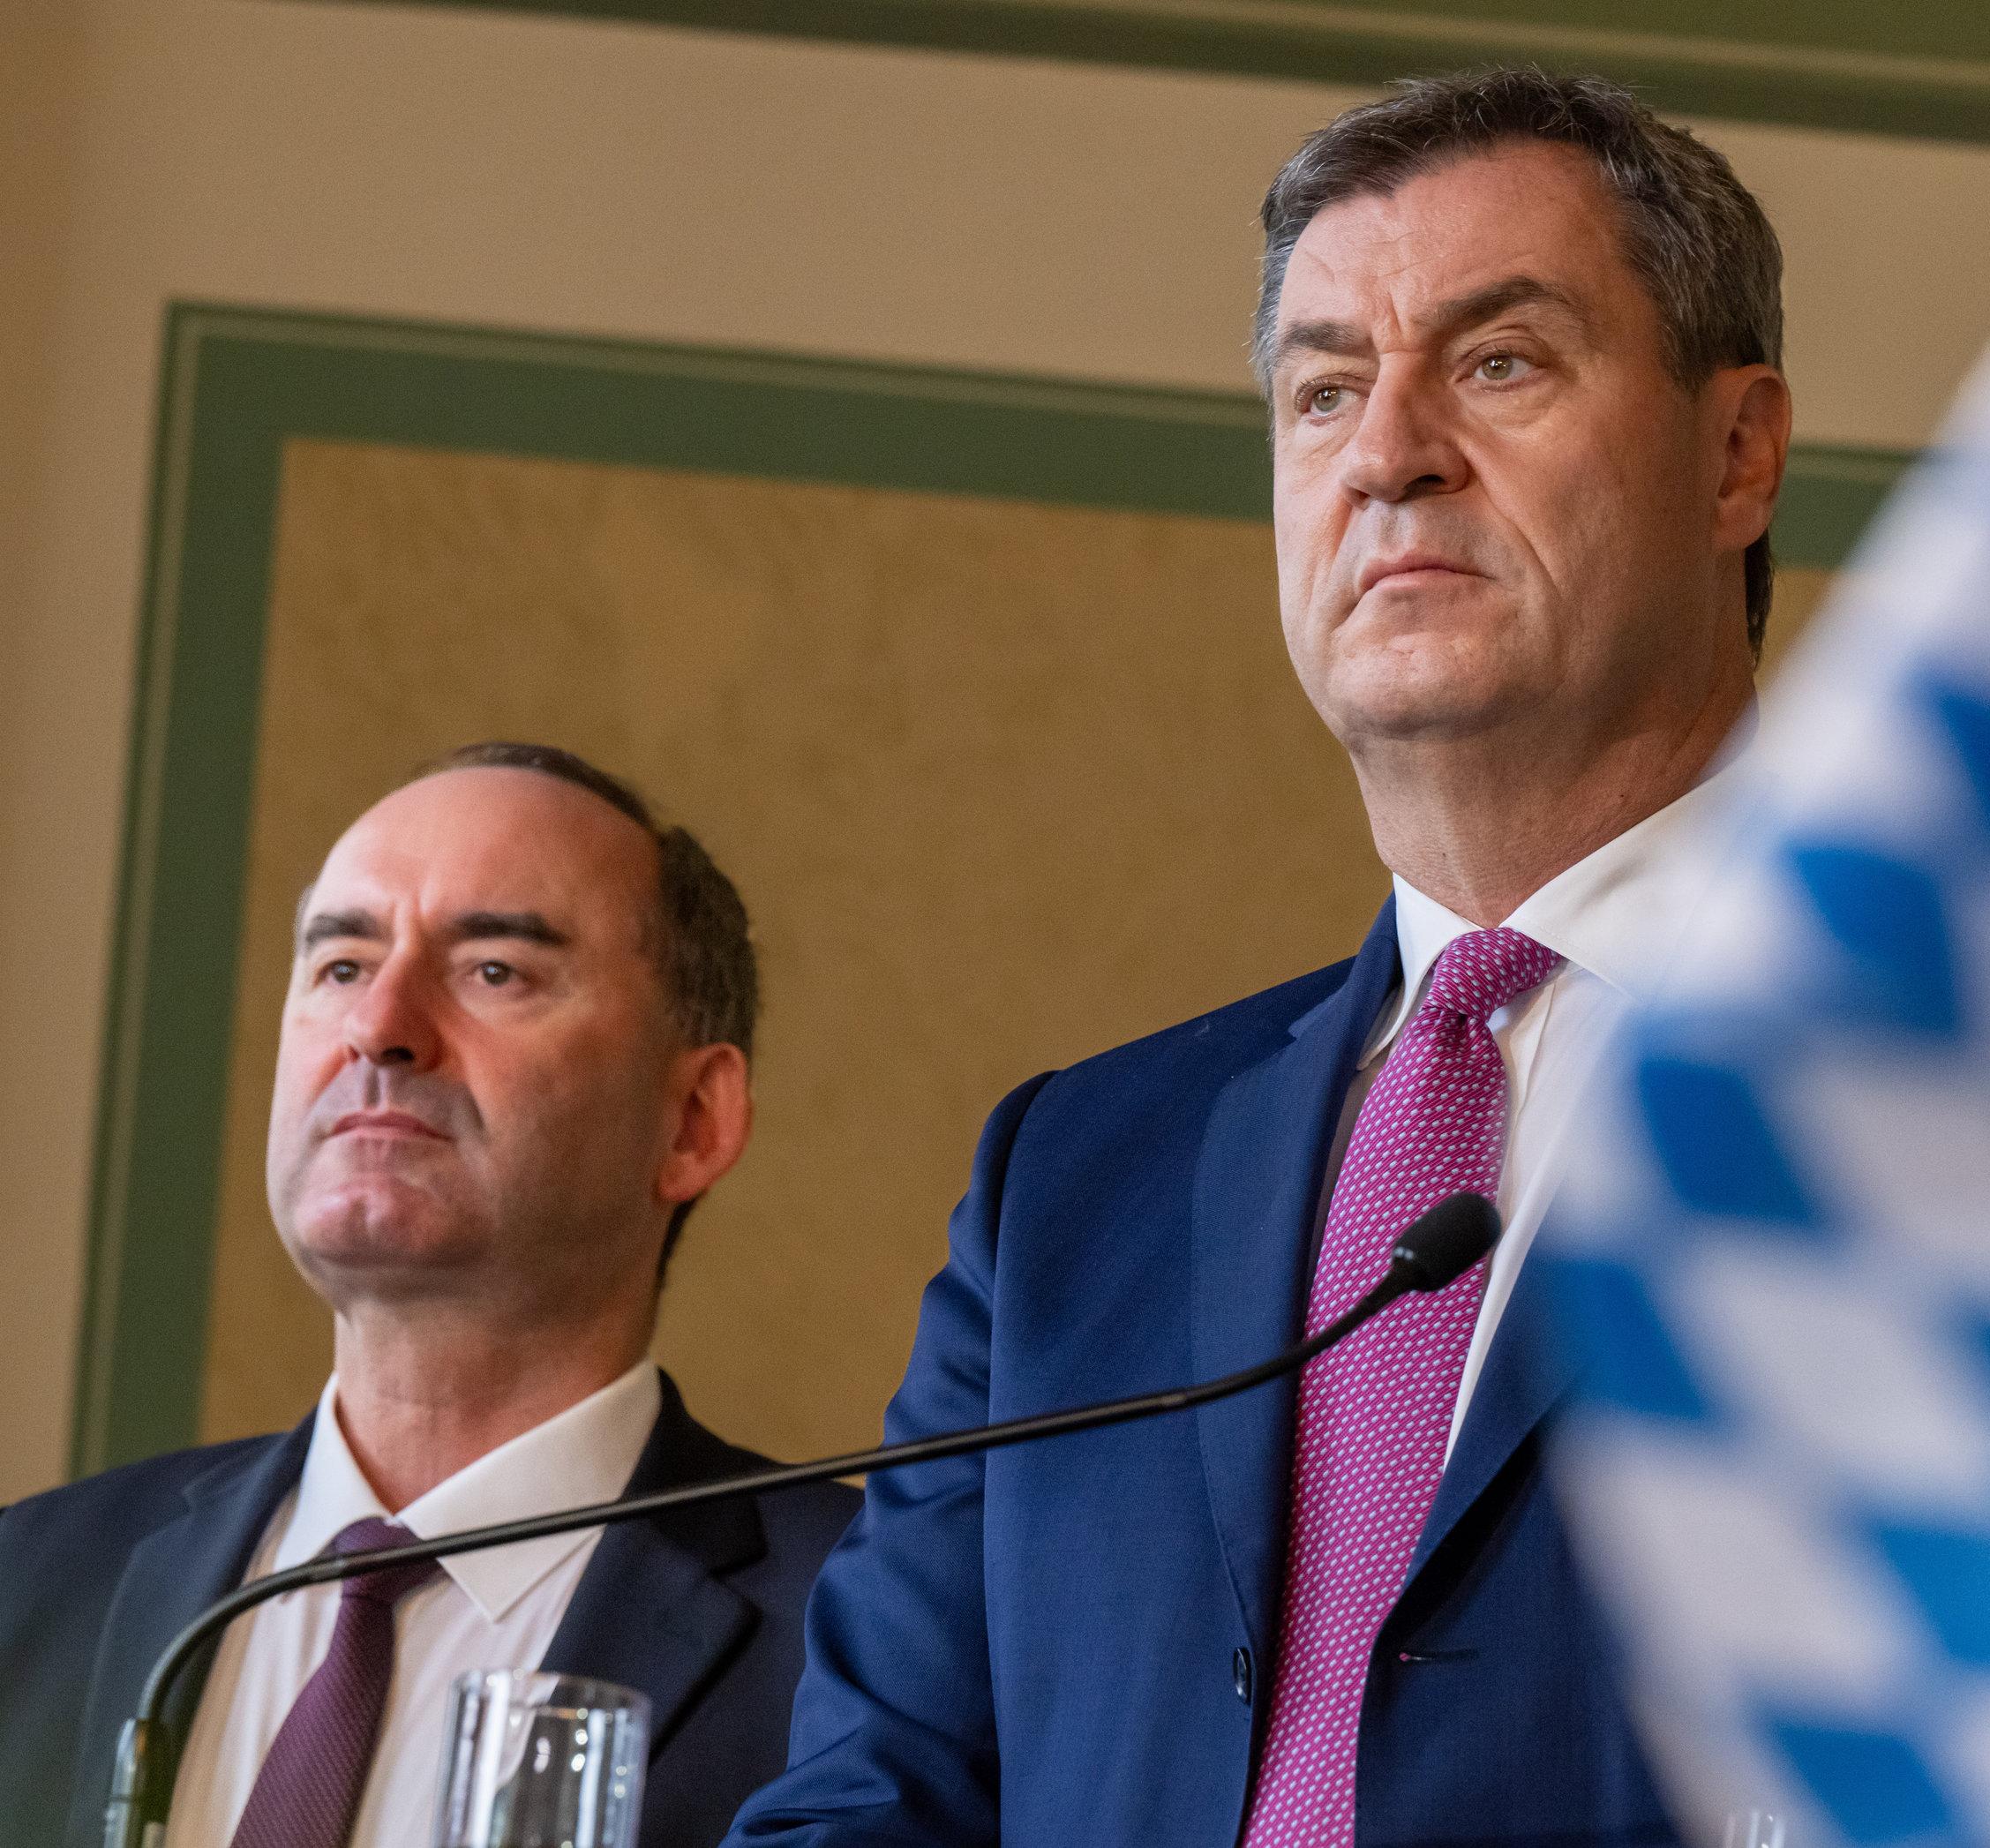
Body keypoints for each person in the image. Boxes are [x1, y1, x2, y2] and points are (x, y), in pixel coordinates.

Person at [729, 71, 1788, 1848]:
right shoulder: (1071, 1179)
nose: (1389, 452)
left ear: (1735, 454)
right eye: (1320, 392)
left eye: (1501, 364)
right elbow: (871, 1796)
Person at [0, 743, 857, 1848]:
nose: (380, 1027)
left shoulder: (871, 1628)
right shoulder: (32, 1579)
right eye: (342, 966)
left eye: (494, 970)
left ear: (693, 1119)